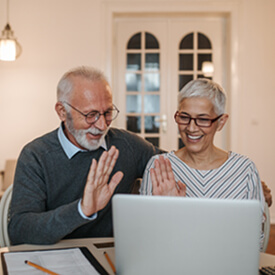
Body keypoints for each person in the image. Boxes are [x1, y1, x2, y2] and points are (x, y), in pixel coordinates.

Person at [8, 66, 163, 245]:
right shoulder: (36, 156)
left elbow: (177, 164)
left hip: (111, 257)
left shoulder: (127, 144)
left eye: (107, 113)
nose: (102, 125)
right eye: (91, 115)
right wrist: (81, 210)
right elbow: (20, 231)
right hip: (55, 260)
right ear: (62, 112)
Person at [140, 78, 266, 248]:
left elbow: (254, 240)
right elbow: (145, 238)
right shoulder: (159, 166)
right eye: (184, 117)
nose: (191, 128)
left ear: (221, 122)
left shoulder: (244, 170)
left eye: (203, 119)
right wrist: (166, 211)